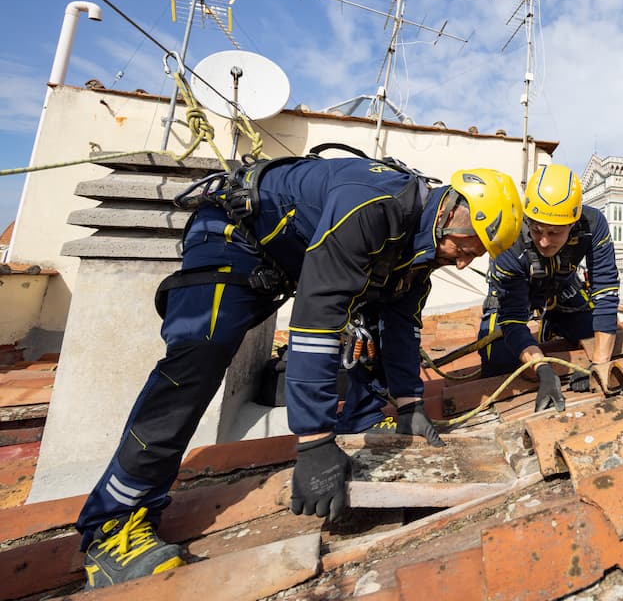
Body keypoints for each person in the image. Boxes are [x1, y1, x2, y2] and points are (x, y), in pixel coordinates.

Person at [75, 150, 523, 589]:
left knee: (372, 330)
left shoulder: (420, 249)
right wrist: (313, 443)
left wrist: (409, 403)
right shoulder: (371, 206)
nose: (465, 261)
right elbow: (314, 322)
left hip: (290, 258)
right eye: (467, 246)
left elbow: (401, 324)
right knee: (198, 358)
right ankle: (112, 525)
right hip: (234, 236)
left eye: (477, 255)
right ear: (451, 212)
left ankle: (363, 430)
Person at [476, 164, 620, 412]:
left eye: (554, 233)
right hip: (515, 296)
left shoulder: (593, 225)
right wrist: (544, 370)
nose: (544, 241)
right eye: (536, 229)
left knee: (600, 337)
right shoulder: (509, 237)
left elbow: (605, 290)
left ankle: (554, 322)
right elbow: (512, 319)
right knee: (497, 361)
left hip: (563, 291)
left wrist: (599, 364)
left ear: (573, 224)